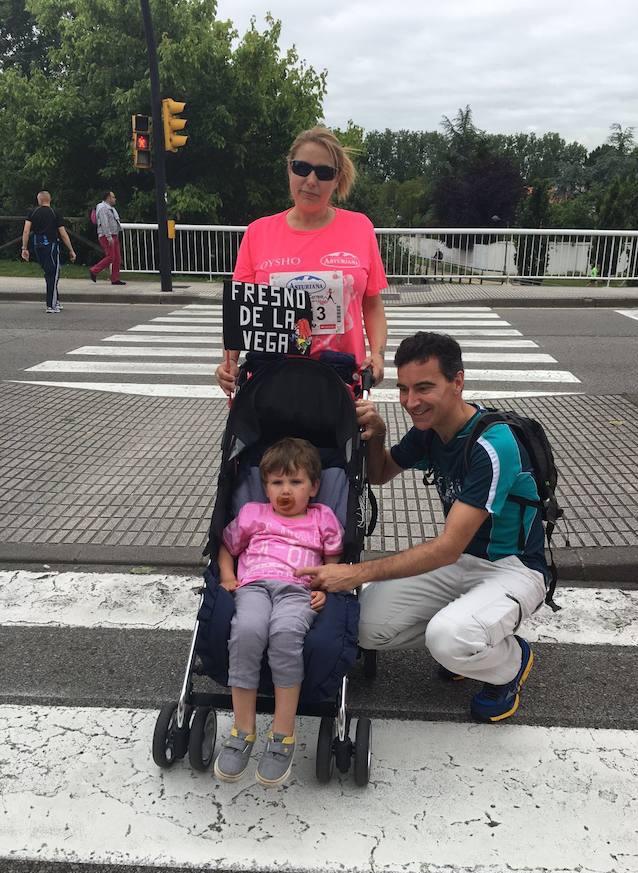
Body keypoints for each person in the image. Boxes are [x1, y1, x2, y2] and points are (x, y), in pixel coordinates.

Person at [298, 332, 549, 724]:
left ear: (458, 381)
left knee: (449, 638)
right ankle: (470, 641)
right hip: (462, 560)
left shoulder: (493, 445)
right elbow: (380, 473)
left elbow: (446, 547)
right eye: (403, 389)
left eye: (424, 388)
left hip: (513, 567)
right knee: (363, 625)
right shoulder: (430, 431)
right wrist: (378, 434)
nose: (411, 402)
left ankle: (510, 663)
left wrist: (354, 573)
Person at [215, 126, 388, 393]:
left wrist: (377, 354)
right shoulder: (258, 233)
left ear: (337, 178)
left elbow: (373, 305)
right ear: (289, 169)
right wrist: (230, 363)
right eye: (301, 168)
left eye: (324, 172)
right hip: (272, 383)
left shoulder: (360, 228)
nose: (311, 180)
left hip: (340, 383)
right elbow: (241, 311)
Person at [214, 437, 343, 787]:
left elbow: (332, 562)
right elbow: (226, 547)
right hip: (253, 584)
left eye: (296, 482)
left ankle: (283, 732)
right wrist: (227, 576)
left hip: (298, 589)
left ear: (314, 486)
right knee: (247, 631)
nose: (285, 491)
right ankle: (243, 728)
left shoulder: (323, 518)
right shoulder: (253, 514)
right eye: (276, 482)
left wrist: (323, 589)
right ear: (265, 485)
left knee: (285, 635)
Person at [20, 191, 76, 313]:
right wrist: (71, 249)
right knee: (53, 274)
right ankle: (51, 304)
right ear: (49, 199)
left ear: (39, 200)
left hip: (37, 245)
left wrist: (24, 248)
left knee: (49, 272)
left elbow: (26, 231)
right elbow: (63, 233)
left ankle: (56, 300)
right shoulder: (54, 213)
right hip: (50, 245)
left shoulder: (32, 212)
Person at [89, 189, 126, 285]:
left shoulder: (111, 208)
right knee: (111, 257)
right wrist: (109, 237)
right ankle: (94, 270)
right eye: (113, 197)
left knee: (117, 258)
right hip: (106, 236)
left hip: (114, 234)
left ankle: (115, 278)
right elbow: (105, 223)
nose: (115, 199)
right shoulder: (102, 208)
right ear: (108, 198)